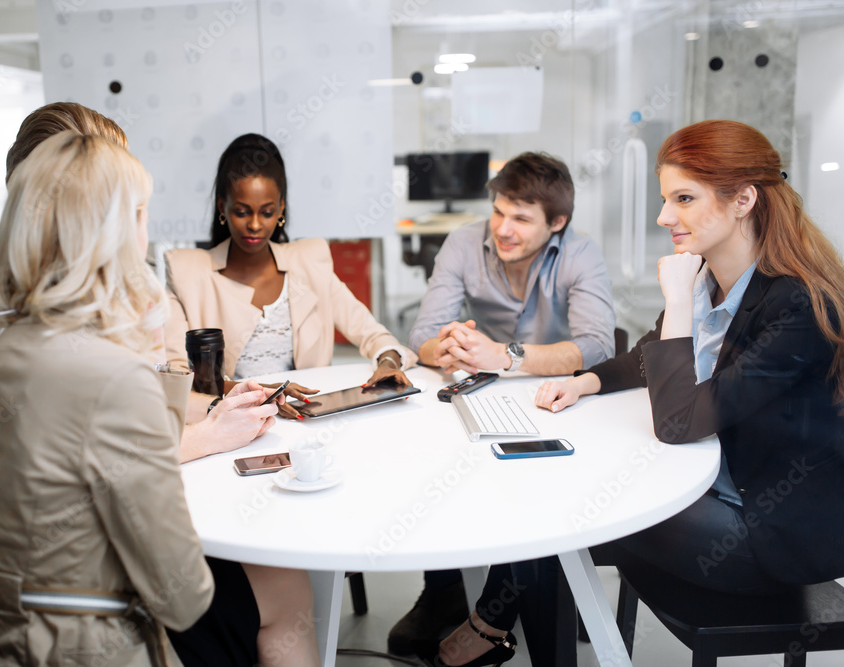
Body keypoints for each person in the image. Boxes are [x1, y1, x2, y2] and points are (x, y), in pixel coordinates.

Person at [432, 119, 844, 667]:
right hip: (719, 482)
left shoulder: (796, 304)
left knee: (555, 508)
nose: (663, 217)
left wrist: (677, 301)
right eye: (665, 198)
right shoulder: (715, 277)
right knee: (549, 500)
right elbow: (650, 353)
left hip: (764, 536)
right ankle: (496, 630)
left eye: (684, 199)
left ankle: (489, 629)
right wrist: (587, 381)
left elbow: (678, 422)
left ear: (744, 199)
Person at [0, 131, 319, 667]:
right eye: (142, 212)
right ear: (116, 232)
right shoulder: (110, 376)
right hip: (82, 645)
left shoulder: (4, 354)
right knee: (287, 590)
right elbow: (183, 594)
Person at [0, 103, 276, 618]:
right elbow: (85, 458)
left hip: (61, 532)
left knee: (268, 582)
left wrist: (214, 406)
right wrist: (210, 435)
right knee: (256, 596)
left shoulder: (62, 282)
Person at [391, 152, 616, 656]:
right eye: (498, 211)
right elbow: (423, 337)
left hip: (555, 401)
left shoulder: (580, 255)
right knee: (436, 460)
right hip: (484, 396)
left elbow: (599, 345)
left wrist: (506, 356)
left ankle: (494, 621)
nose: (502, 229)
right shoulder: (464, 243)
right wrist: (445, 345)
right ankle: (444, 592)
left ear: (556, 223)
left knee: (537, 497)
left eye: (521, 218)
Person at [164, 133, 417, 418]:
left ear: (281, 208)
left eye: (267, 212)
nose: (256, 225)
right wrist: (260, 393)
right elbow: (175, 377)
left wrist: (388, 362)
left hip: (309, 419)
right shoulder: (187, 272)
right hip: (230, 422)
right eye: (242, 212)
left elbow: (373, 334)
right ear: (223, 207)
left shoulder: (311, 262)